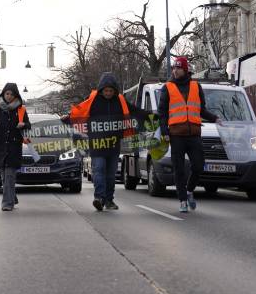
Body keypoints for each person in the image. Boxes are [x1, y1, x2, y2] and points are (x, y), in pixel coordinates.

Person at [63, 73, 150, 212]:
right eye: (106, 91)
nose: (108, 93)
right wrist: (67, 119)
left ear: (114, 90)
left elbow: (135, 111)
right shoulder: (92, 100)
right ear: (101, 90)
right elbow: (79, 112)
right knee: (99, 169)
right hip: (97, 143)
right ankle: (99, 198)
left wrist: (150, 116)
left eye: (111, 91)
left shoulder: (120, 101)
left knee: (110, 173)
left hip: (113, 144)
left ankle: (109, 200)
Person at [158, 57, 219, 213]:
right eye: (173, 68)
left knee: (199, 165)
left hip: (194, 133)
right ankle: (182, 200)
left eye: (178, 68)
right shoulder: (168, 87)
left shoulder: (195, 86)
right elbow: (162, 113)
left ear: (185, 69)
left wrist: (215, 118)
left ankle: (190, 190)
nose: (175, 71)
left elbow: (201, 109)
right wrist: (164, 131)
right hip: (176, 134)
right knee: (178, 169)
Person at [0, 83, 30, 212]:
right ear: (3, 94)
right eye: (7, 93)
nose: (9, 96)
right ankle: (12, 197)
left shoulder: (21, 109)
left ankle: (7, 204)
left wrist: (23, 124)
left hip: (14, 146)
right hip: (0, 146)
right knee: (3, 176)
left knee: (9, 176)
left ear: (15, 95)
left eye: (11, 94)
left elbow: (28, 125)